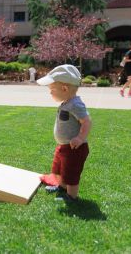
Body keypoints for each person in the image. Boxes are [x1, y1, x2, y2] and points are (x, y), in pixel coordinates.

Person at [37, 64, 92, 202]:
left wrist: (80, 138)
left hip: (74, 148)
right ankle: (61, 187)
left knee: (71, 173)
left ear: (65, 88)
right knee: (59, 169)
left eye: (52, 89)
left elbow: (87, 121)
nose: (50, 92)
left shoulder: (75, 104)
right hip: (63, 146)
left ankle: (71, 196)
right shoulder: (67, 102)